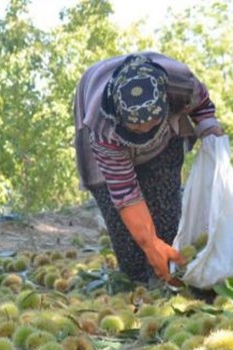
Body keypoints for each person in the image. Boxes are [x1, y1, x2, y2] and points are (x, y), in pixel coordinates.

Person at [73, 52, 224, 284]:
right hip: (104, 127)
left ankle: (168, 280)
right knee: (132, 258)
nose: (143, 130)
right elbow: (125, 194)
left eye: (150, 125)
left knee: (166, 225)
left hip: (165, 140)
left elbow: (201, 104)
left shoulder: (180, 85)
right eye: (135, 127)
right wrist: (149, 243)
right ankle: (138, 277)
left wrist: (209, 127)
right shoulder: (102, 125)